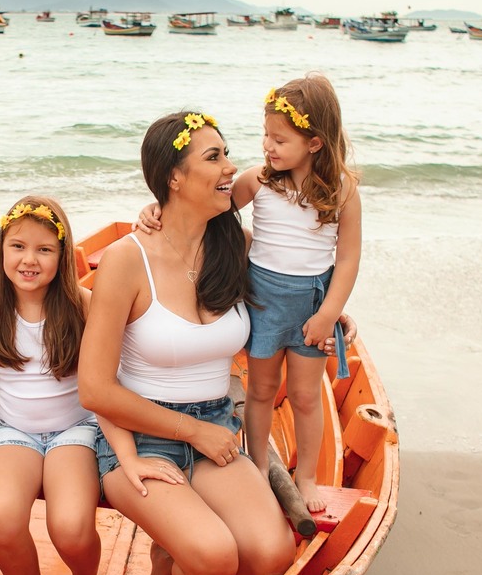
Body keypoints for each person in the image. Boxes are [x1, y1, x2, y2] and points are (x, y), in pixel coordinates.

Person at [79, 111, 296, 575]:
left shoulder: (234, 247)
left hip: (215, 428)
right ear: (173, 177)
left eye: (227, 153)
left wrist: (328, 310)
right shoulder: (126, 260)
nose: (231, 167)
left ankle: (170, 570)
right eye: (214, 157)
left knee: (271, 556)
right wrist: (191, 431)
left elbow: (296, 278)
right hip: (139, 441)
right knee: (215, 557)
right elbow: (93, 388)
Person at [137, 75, 361, 513]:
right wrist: (156, 208)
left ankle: (308, 476)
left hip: (312, 303)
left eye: (279, 139)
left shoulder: (343, 192)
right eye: (265, 135)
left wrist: (330, 311)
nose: (267, 147)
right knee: (261, 390)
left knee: (304, 395)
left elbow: (349, 259)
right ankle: (258, 466)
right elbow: (209, 206)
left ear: (314, 143)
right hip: (262, 298)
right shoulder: (260, 180)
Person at [0, 197, 145, 575]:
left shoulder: (82, 303)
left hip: (77, 429)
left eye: (44, 249)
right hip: (13, 431)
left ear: (62, 256)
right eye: (18, 246)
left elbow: (108, 379)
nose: (29, 259)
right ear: (2, 249)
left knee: (70, 526)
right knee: (2, 519)